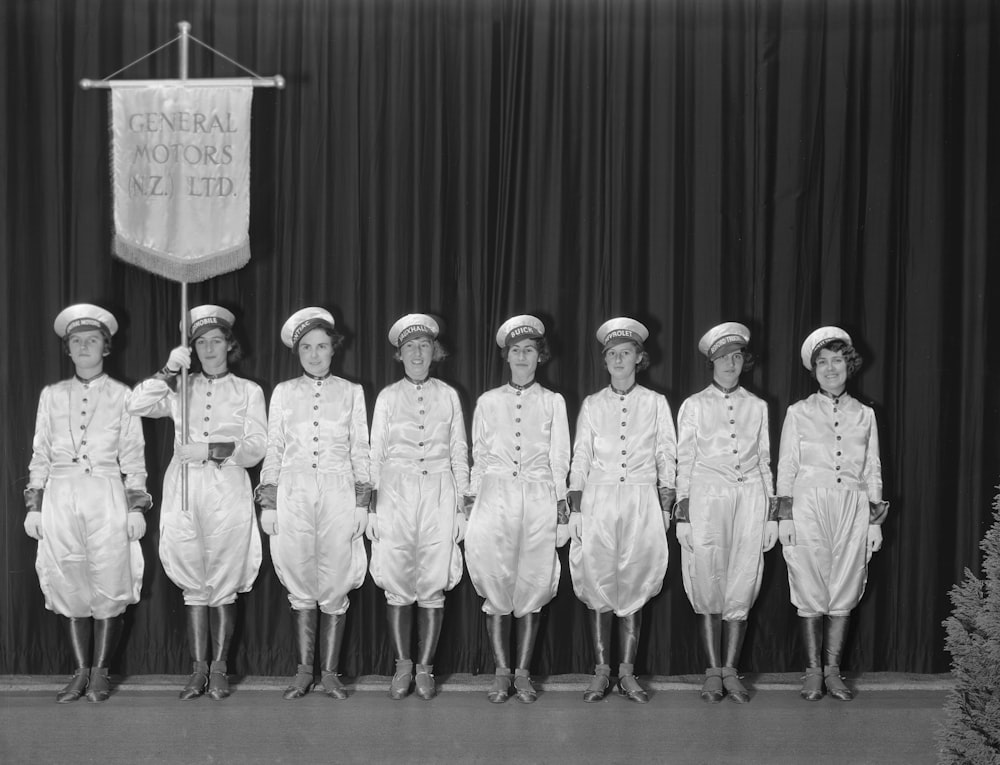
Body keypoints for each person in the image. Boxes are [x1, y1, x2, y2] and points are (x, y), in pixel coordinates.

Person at [129, 304, 266, 701]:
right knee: (193, 577)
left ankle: (220, 669)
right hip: (184, 487)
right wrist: (168, 371)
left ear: (229, 344)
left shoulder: (247, 391)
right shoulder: (179, 388)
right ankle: (197, 669)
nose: (209, 348)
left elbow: (257, 447)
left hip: (226, 487)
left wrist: (210, 448)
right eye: (201, 342)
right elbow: (135, 405)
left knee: (223, 577)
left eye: (216, 340)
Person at [24, 304, 150, 703]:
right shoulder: (52, 395)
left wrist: (134, 507)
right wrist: (34, 504)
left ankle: (101, 672)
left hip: (106, 494)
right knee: (69, 578)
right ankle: (79, 670)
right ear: (68, 349)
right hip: (61, 494)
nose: (83, 346)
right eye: (76, 341)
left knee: (110, 577)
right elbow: (40, 453)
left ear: (105, 348)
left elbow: (133, 456)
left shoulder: (122, 395)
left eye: (91, 340)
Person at [257, 308, 371, 700]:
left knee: (336, 578)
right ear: (298, 351)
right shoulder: (284, 393)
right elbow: (273, 447)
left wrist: (362, 503)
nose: (315, 354)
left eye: (322, 346)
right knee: (300, 576)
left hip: (339, 491)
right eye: (307, 347)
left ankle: (331, 673)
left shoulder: (352, 392)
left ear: (333, 349)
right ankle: (304, 670)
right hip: (294, 491)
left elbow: (361, 449)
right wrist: (268, 501)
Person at [568, 318, 676, 704]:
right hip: (599, 497)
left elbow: (667, 453)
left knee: (634, 580)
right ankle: (601, 673)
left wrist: (665, 504)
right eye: (612, 354)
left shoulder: (655, 403)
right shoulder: (593, 404)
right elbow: (580, 455)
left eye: (625, 353)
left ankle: (627, 674)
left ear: (638, 358)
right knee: (598, 580)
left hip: (641, 498)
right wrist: (576, 506)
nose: (618, 359)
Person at [465, 314, 571, 704]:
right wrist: (471, 507)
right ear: (506, 356)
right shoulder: (488, 401)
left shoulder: (552, 402)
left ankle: (523, 674)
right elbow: (478, 456)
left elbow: (561, 457)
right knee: (496, 580)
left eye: (529, 350)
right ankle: (500, 672)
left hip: (538, 496)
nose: (522, 356)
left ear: (539, 357)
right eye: (515, 350)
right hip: (496, 497)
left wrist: (561, 507)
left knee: (532, 582)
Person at [777, 326, 887, 701]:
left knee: (845, 583)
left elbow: (872, 468)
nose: (830, 368)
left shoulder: (864, 414)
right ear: (814, 369)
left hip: (852, 506)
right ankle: (812, 671)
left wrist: (874, 520)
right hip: (808, 504)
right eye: (822, 362)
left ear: (849, 365)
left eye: (837, 360)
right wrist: (785, 515)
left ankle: (834, 671)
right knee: (808, 583)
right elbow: (786, 466)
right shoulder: (799, 412)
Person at [367, 313, 469, 700]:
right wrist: (372, 507)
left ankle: (425, 668)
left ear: (434, 352)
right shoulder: (388, 397)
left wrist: (463, 508)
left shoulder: (448, 395)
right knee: (397, 580)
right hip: (396, 491)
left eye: (424, 345)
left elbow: (460, 451)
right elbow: (374, 454)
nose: (417, 353)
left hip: (439, 493)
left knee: (431, 582)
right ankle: (402, 666)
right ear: (400, 354)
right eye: (409, 346)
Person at [674, 322, 777, 704]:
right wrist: (682, 515)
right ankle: (712, 670)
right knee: (707, 577)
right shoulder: (694, 405)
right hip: (706, 496)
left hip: (749, 496)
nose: (730, 363)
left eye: (736, 356)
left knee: (743, 577)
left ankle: (732, 670)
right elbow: (683, 462)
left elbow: (765, 462)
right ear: (711, 362)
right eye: (723, 357)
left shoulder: (758, 406)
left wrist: (770, 514)